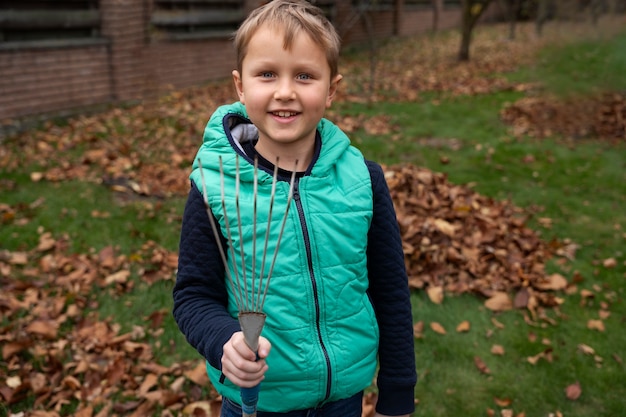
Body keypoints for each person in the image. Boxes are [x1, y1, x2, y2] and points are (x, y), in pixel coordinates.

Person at [173, 1, 417, 416]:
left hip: (343, 399)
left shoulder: (362, 180)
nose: (285, 91)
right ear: (240, 85)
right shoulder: (215, 188)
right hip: (258, 401)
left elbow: (391, 291)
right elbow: (194, 295)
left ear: (332, 89)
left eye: (304, 76)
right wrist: (224, 342)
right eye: (267, 74)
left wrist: (397, 392)